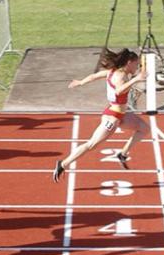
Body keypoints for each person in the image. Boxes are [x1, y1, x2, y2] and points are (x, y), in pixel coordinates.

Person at [52, 48, 150, 183]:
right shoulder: (120, 76)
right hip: (113, 117)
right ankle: (63, 164)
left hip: (120, 114)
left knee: (144, 128)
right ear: (129, 62)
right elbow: (119, 90)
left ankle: (122, 154)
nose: (137, 67)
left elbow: (93, 76)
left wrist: (81, 82)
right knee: (91, 145)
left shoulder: (112, 72)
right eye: (136, 64)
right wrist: (136, 79)